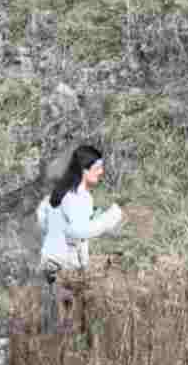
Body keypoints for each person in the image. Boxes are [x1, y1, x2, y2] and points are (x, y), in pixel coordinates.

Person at [36, 144, 124, 338]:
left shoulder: (61, 192)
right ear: (84, 170)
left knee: (65, 324)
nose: (101, 172)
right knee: (72, 327)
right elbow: (78, 231)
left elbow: (45, 220)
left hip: (54, 265)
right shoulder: (76, 197)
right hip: (66, 268)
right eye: (97, 168)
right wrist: (111, 217)